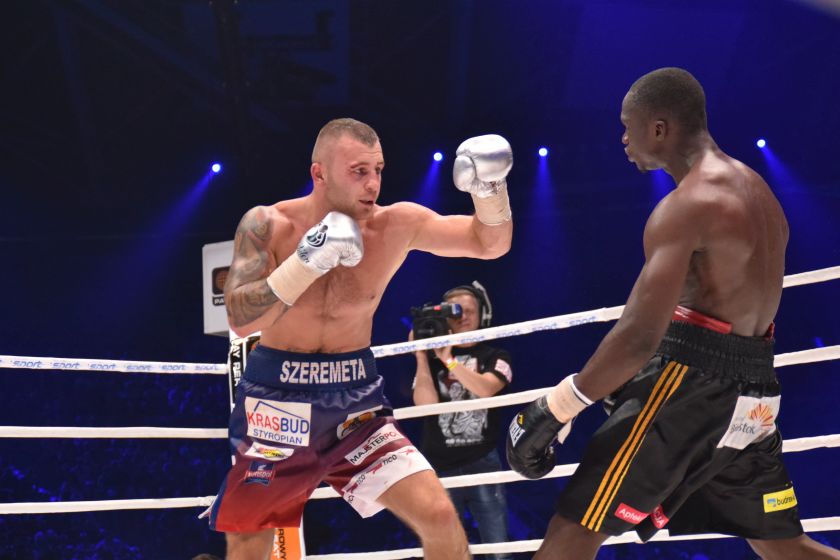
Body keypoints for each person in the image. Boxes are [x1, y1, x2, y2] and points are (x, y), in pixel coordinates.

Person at [506, 67, 840, 560]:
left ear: (658, 128)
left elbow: (640, 335)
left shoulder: (688, 205)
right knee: (785, 547)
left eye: (628, 126)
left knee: (573, 530)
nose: (623, 139)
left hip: (691, 387)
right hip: (755, 391)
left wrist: (559, 405)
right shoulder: (759, 192)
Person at [206, 117, 514, 560]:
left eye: (379, 170)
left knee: (439, 515)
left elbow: (489, 244)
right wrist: (306, 263)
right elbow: (239, 319)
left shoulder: (395, 224)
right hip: (276, 404)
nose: (373, 184)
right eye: (359, 171)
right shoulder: (268, 224)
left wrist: (490, 192)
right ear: (319, 174)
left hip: (356, 403)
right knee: (250, 542)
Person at [411, 281, 513, 560]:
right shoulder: (431, 360)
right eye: (456, 311)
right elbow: (425, 407)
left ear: (483, 315)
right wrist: (421, 355)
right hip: (439, 465)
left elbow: (486, 389)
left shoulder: (496, 355)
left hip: (482, 461)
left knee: (498, 548)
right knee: (443, 548)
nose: (464, 316)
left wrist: (451, 362)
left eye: (470, 311)